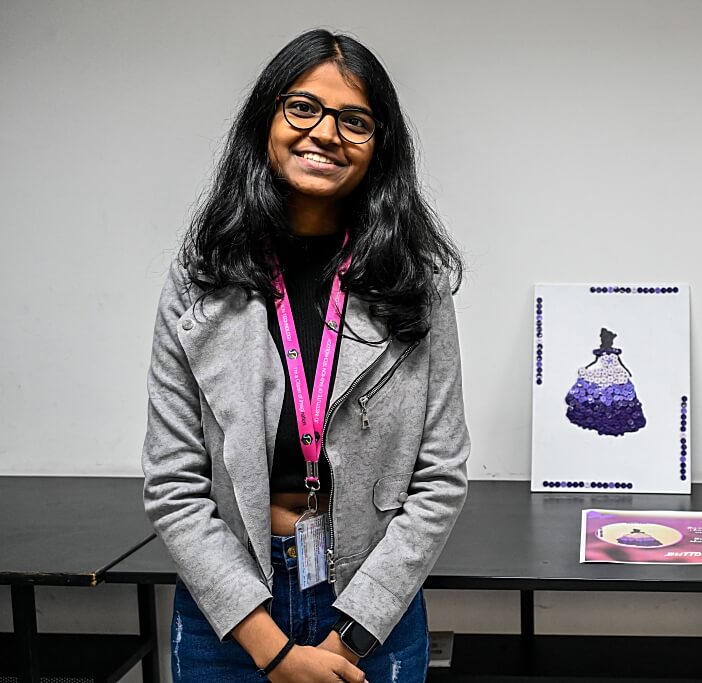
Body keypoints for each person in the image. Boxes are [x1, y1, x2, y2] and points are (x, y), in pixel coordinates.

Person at [141, 28, 470, 683]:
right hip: (228, 615)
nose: (325, 132)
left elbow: (441, 480)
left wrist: (345, 643)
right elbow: (174, 487)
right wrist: (276, 652)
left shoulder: (414, 284)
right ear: (266, 119)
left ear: (380, 148)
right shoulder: (197, 280)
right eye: (303, 108)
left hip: (370, 611)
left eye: (355, 120)